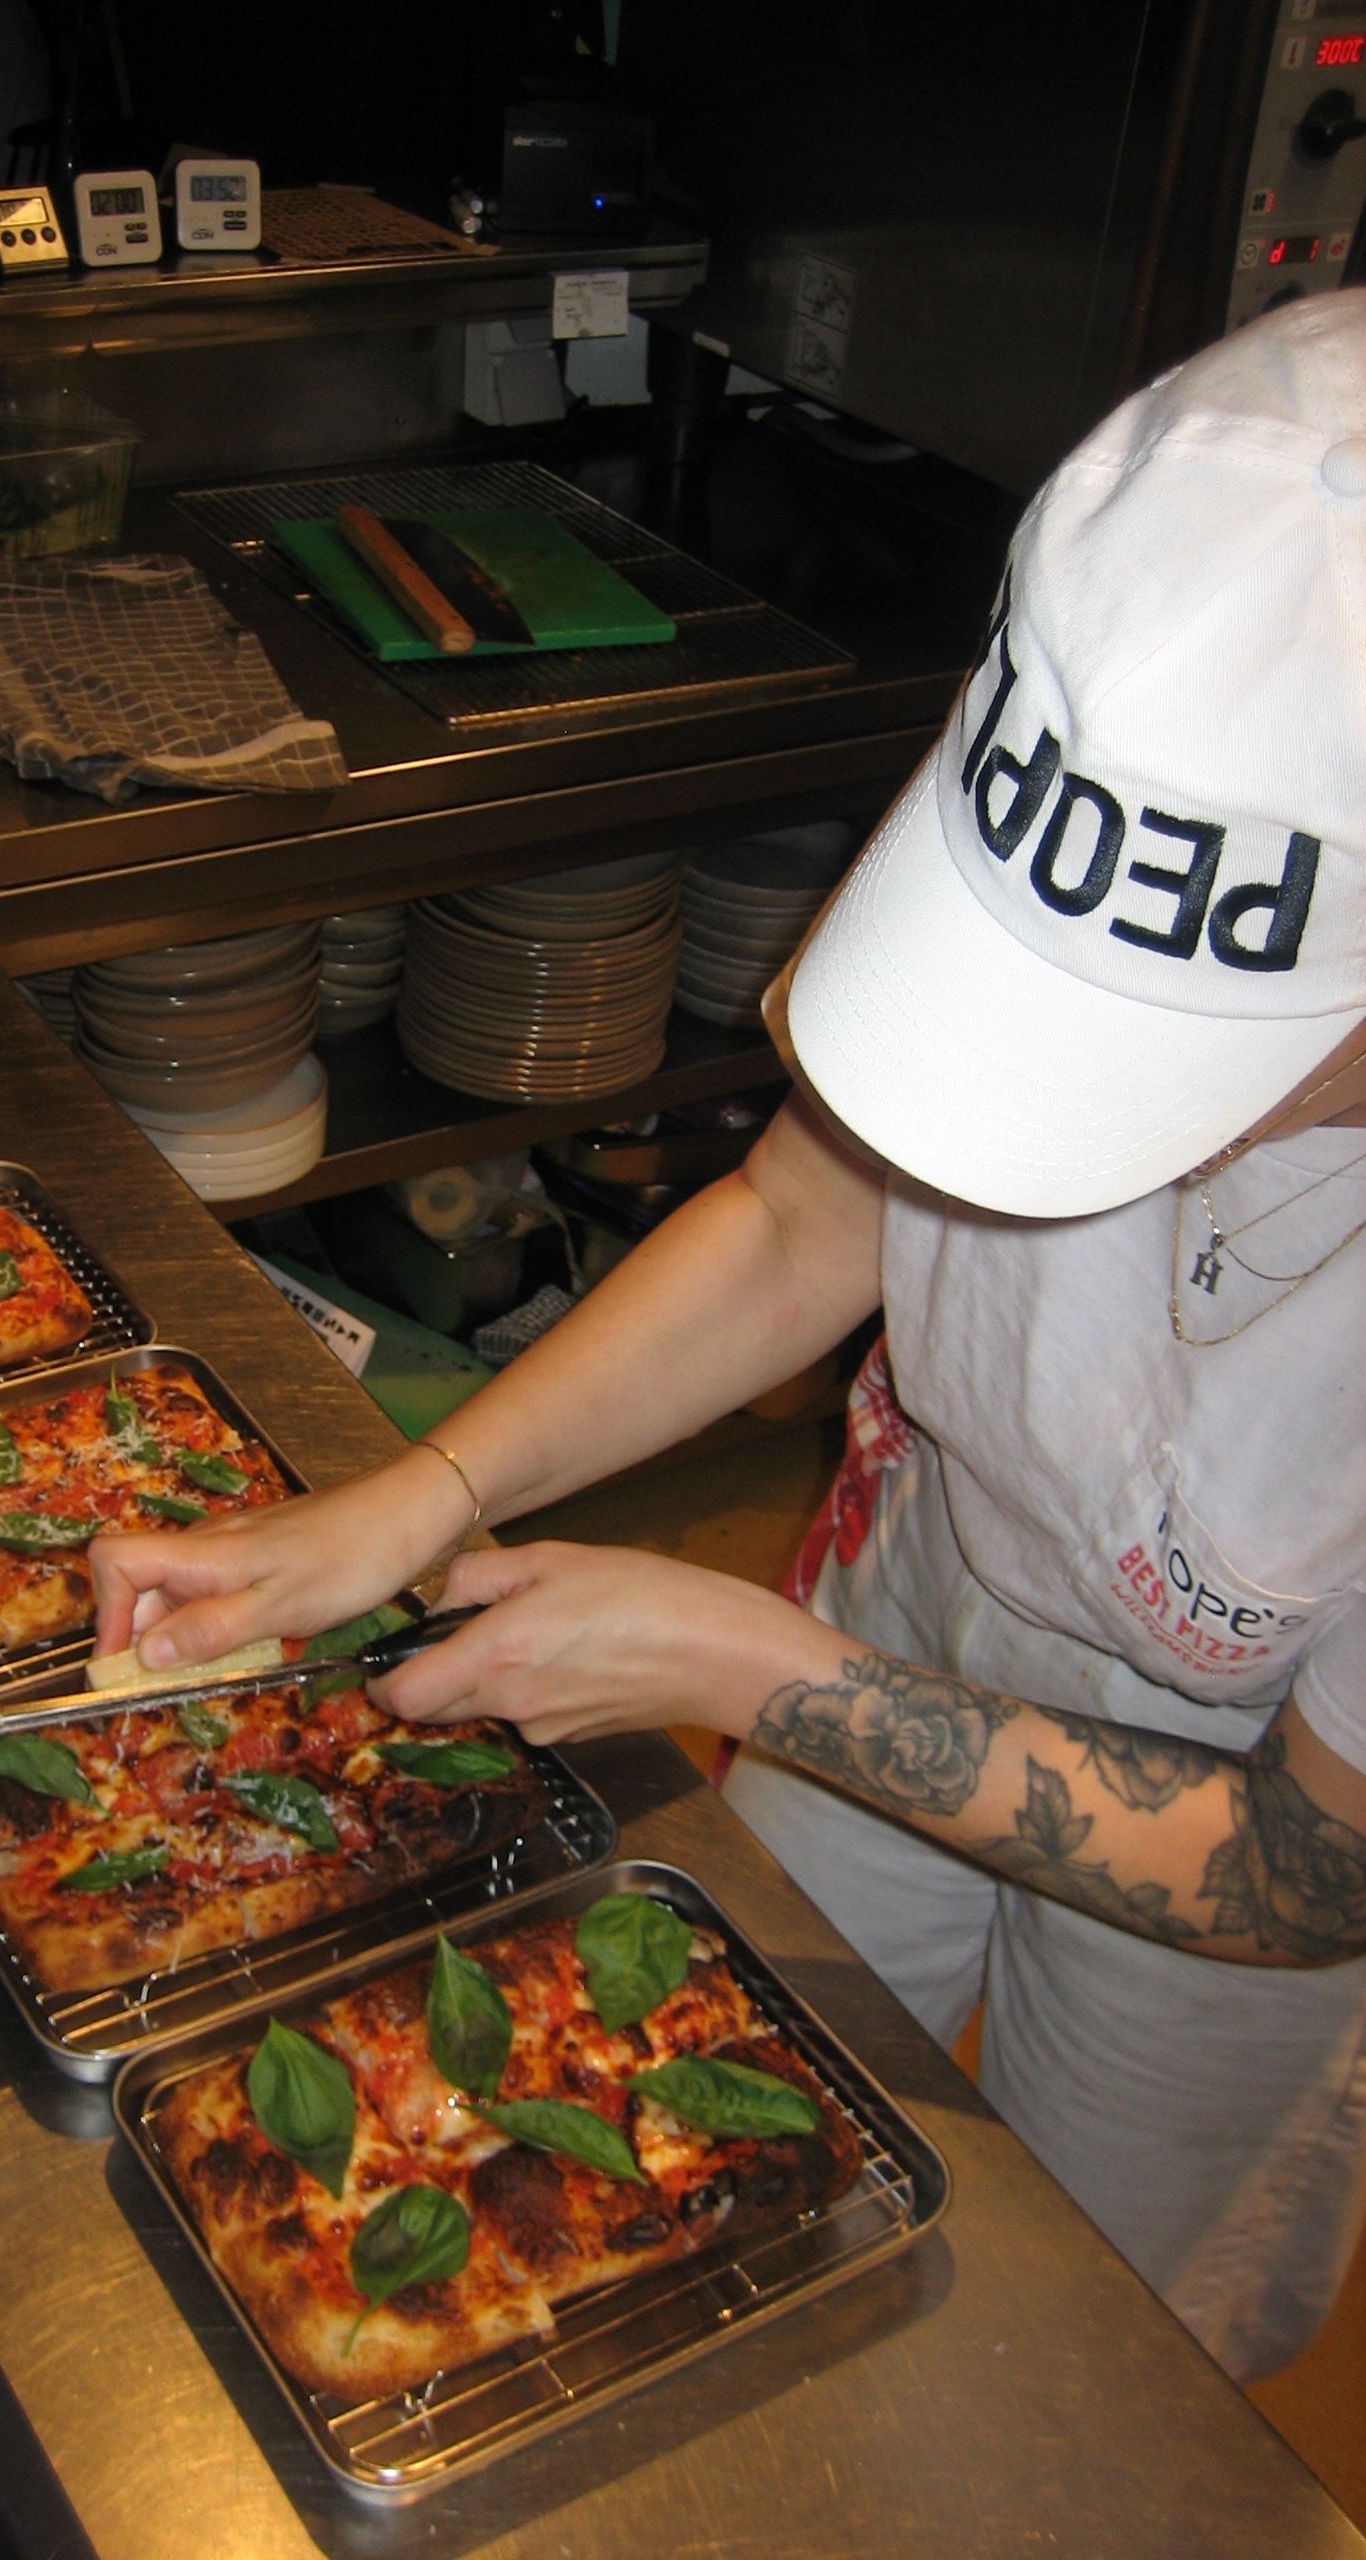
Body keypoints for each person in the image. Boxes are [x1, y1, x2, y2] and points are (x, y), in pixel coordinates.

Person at [90, 290, 1366, 2384]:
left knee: (1098, 2358)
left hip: (1244, 1796)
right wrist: (419, 1496)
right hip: (931, 1567)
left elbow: (1314, 1870)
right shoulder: (1104, 744)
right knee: (708, 2125)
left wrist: (741, 1666)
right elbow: (798, 1217)